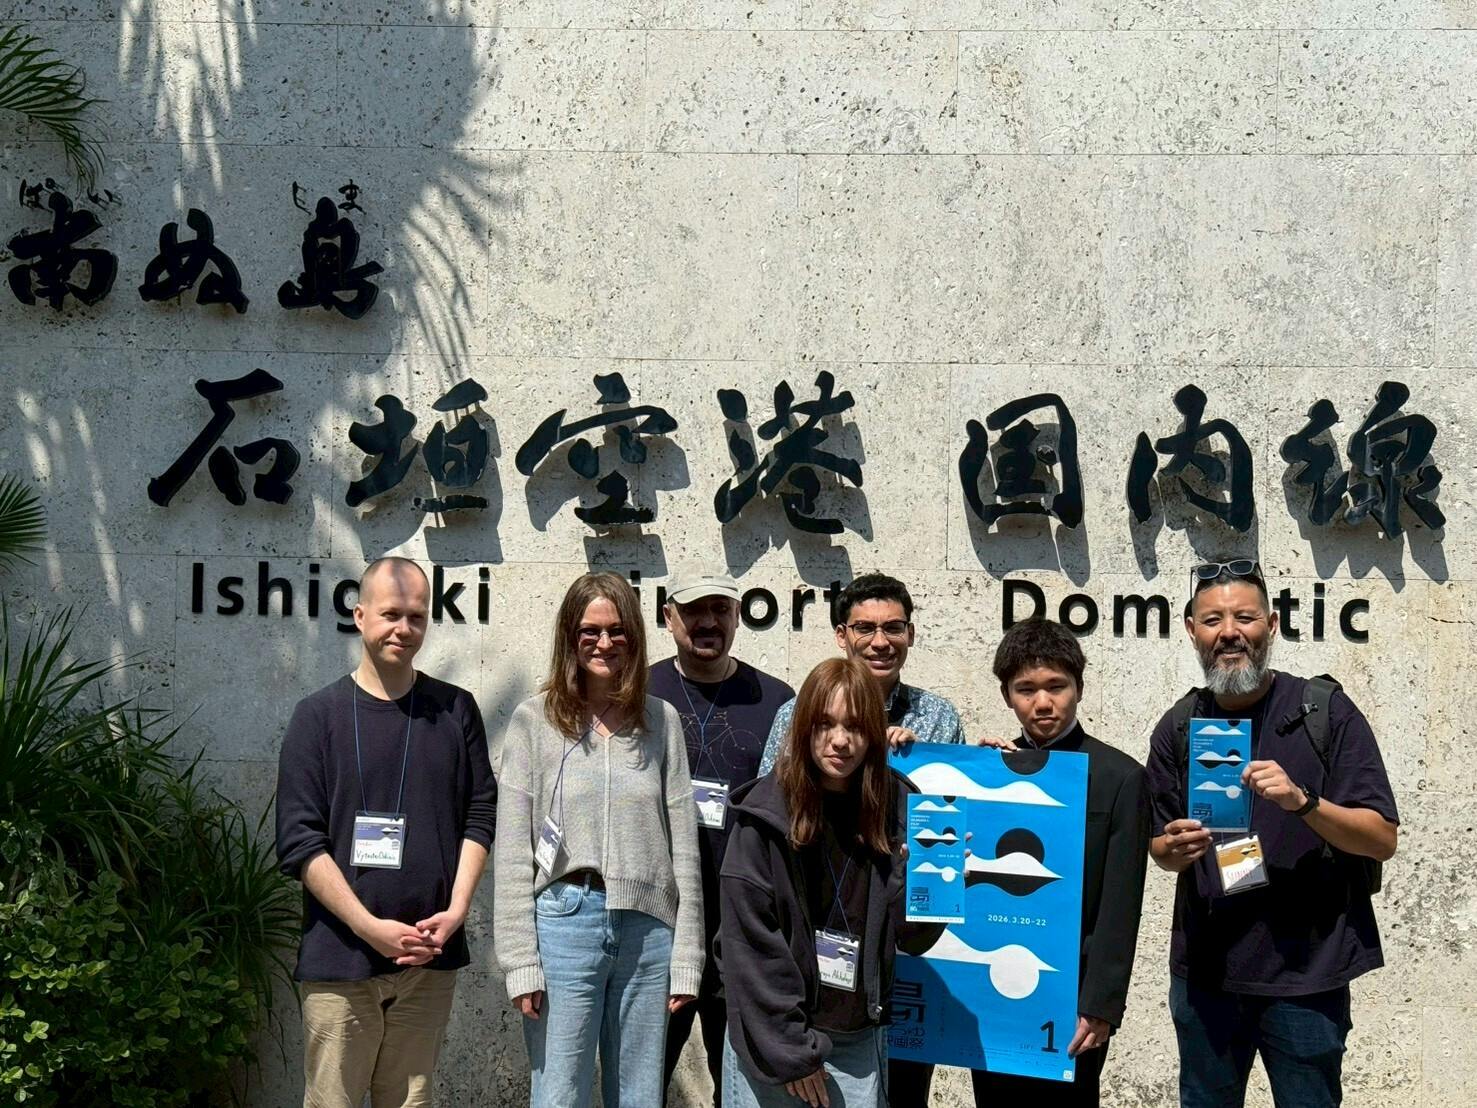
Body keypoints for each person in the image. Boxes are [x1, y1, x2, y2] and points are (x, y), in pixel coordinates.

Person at [1145, 560, 1399, 1108]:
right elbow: (1159, 847)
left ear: (1272, 624)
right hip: (1206, 978)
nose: (1229, 632)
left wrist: (1303, 802)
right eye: (1212, 620)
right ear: (1191, 630)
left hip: (1306, 978)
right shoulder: (1178, 725)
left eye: (1245, 617)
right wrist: (1176, 848)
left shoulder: (1324, 711)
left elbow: (1381, 837)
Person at [275, 556, 496, 1108]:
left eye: (416, 616)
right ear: (359, 615)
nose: (404, 628)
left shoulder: (455, 710)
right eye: (391, 614)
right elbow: (299, 841)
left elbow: (480, 814)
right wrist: (369, 927)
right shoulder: (317, 717)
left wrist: (457, 912)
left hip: (428, 958)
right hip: (341, 959)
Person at [494, 571, 704, 1108]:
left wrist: (688, 955)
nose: (604, 643)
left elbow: (685, 847)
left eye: (617, 631)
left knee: (638, 1095)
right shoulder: (534, 721)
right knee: (558, 1093)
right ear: (570, 636)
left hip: (647, 931)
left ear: (634, 636)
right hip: (564, 925)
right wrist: (520, 961)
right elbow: (514, 851)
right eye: (590, 631)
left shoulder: (661, 721)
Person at [719, 656, 942, 1108]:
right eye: (825, 724)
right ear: (803, 726)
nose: (840, 741)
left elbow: (915, 939)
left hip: (858, 1037)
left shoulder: (900, 806)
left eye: (855, 726)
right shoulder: (764, 815)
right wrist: (791, 1052)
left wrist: (937, 888)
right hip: (773, 1039)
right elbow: (749, 949)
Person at [951, 618, 1151, 1107]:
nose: (1043, 703)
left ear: (1078, 687)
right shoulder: (986, 773)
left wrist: (1101, 1006)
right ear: (1006, 697)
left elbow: (1120, 907)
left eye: (1056, 686)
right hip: (992, 985)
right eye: (1026, 689)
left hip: (1073, 996)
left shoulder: (1120, 777)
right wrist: (972, 781)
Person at [648, 564, 795, 1107]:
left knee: (739, 1085)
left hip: (741, 925)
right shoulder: (639, 691)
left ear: (737, 616)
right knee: (641, 1080)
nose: (707, 622)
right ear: (669, 617)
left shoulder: (776, 700)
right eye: (693, 611)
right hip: (659, 922)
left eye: (719, 610)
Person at [758, 573, 964, 776]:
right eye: (864, 629)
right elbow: (769, 793)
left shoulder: (940, 717)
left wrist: (922, 761)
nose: (880, 642)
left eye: (893, 628)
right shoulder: (797, 713)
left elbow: (959, 793)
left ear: (910, 635)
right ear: (841, 636)